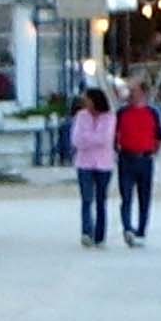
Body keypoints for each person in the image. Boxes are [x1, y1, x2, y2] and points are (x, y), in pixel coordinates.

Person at [115, 73, 161, 247]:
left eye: (133, 91)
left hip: (145, 158)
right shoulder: (121, 113)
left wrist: (153, 152)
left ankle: (142, 230)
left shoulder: (152, 112)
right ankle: (127, 228)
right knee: (126, 196)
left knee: (144, 197)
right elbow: (115, 135)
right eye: (129, 90)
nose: (130, 94)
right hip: (126, 157)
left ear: (143, 93)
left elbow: (159, 136)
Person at [70, 86, 116, 248]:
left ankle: (100, 235)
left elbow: (105, 139)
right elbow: (76, 140)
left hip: (104, 164)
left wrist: (88, 138)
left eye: (87, 99)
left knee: (101, 200)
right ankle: (86, 232)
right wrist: (92, 139)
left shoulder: (109, 117)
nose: (85, 102)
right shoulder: (81, 116)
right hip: (84, 163)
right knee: (87, 199)